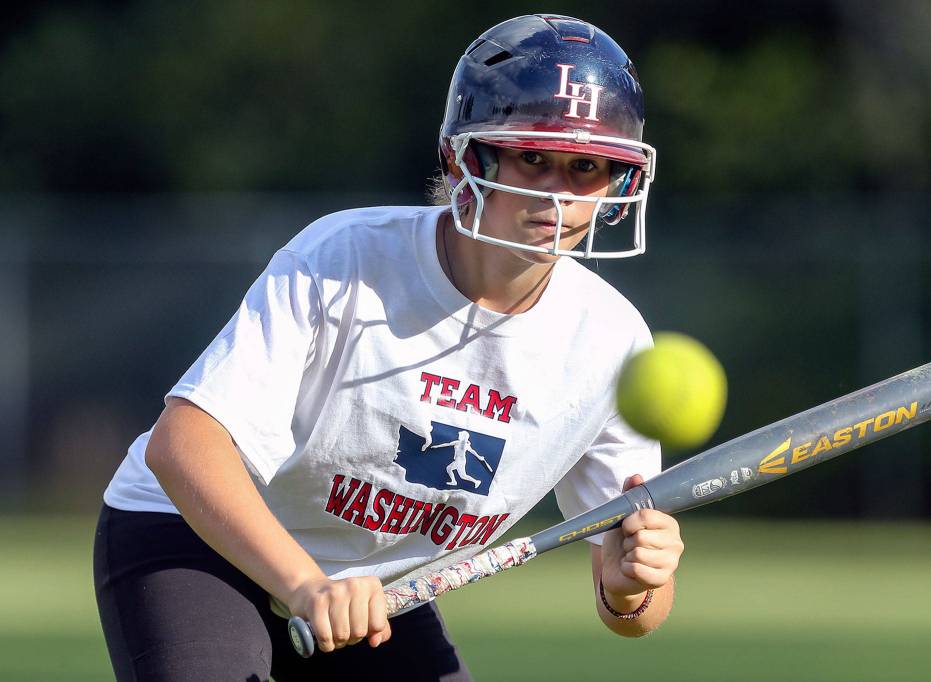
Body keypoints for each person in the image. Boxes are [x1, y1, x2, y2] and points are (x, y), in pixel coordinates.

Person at [94, 13, 684, 681]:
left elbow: (633, 613)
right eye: (532, 157)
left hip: (375, 593)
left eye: (587, 167)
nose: (559, 193)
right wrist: (307, 586)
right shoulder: (345, 258)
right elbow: (185, 442)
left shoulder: (610, 340)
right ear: (466, 156)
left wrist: (633, 580)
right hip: (200, 540)